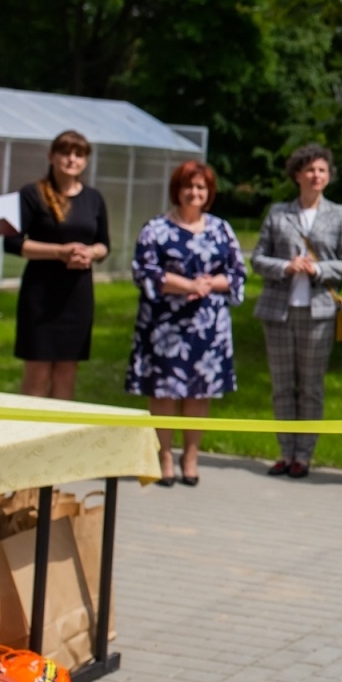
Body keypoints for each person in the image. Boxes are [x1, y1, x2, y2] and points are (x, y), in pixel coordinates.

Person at [126, 161, 246, 487]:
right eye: (188, 186)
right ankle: (164, 454)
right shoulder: (156, 228)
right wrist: (187, 286)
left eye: (201, 188)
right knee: (164, 391)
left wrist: (210, 284)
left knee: (199, 393)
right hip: (165, 325)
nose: (194, 193)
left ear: (209, 193)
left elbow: (238, 272)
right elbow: (145, 271)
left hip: (208, 326)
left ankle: (190, 456)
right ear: (177, 190)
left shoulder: (221, 228)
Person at [252, 144, 342, 480]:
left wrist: (318, 270)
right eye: (310, 170)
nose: (316, 176)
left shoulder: (338, 214)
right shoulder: (278, 212)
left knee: (311, 387)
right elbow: (257, 259)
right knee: (282, 386)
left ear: (328, 177)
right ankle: (285, 452)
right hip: (278, 311)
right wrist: (286, 265)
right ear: (297, 175)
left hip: (319, 314)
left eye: (322, 170)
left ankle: (304, 456)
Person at [6, 130, 110, 400]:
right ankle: (28, 434)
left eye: (79, 154)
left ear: (86, 161)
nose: (71, 159)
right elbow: (14, 243)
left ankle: (57, 437)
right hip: (40, 294)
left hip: (77, 295)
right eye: (65, 152)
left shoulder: (93, 198)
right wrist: (59, 252)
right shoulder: (32, 194)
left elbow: (104, 244)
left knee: (67, 370)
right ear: (51, 156)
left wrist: (90, 253)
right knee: (37, 370)